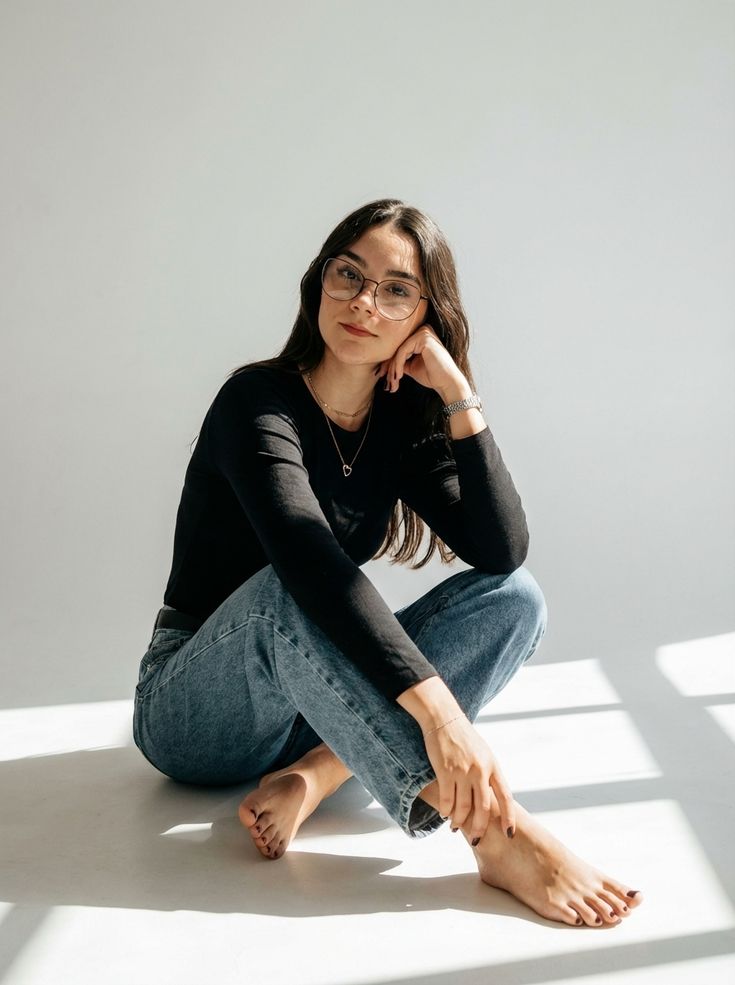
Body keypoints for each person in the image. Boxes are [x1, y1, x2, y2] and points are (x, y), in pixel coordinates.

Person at [133, 198, 643, 928]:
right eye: (349, 275)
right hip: (194, 710)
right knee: (285, 592)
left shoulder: (398, 422)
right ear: (319, 280)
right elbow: (310, 565)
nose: (364, 303)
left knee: (516, 599)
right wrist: (442, 716)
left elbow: (500, 550)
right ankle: (497, 834)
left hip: (313, 705)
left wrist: (458, 395)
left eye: (396, 290)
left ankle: (314, 774)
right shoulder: (256, 402)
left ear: (424, 317)